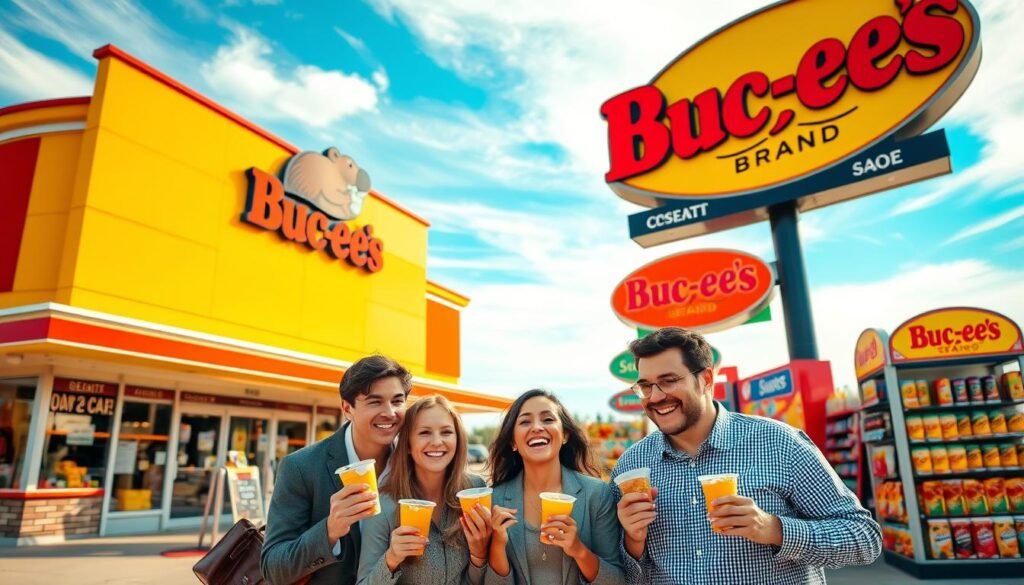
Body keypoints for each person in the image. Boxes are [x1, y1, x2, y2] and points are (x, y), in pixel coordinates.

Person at [612, 327, 881, 585]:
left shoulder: (779, 443)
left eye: (668, 381)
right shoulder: (632, 465)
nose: (655, 396)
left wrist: (774, 529)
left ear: (706, 379)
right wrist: (632, 542)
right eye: (645, 386)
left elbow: (864, 538)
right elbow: (626, 576)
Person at [262, 355, 411, 585]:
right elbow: (273, 569)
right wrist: (330, 530)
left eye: (397, 401)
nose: (389, 412)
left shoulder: (412, 465)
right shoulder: (301, 467)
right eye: (375, 401)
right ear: (347, 408)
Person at [486, 389, 623, 585]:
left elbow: (617, 580)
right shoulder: (495, 500)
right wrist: (497, 545)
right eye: (525, 421)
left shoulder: (597, 494)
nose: (537, 427)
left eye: (547, 419)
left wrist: (578, 550)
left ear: (565, 434)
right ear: (513, 442)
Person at [357, 395, 492, 585]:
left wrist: (480, 555)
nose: (437, 441)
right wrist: (391, 559)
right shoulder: (384, 505)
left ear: (458, 439)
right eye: (424, 433)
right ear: (409, 445)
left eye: (446, 432)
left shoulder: (475, 490)